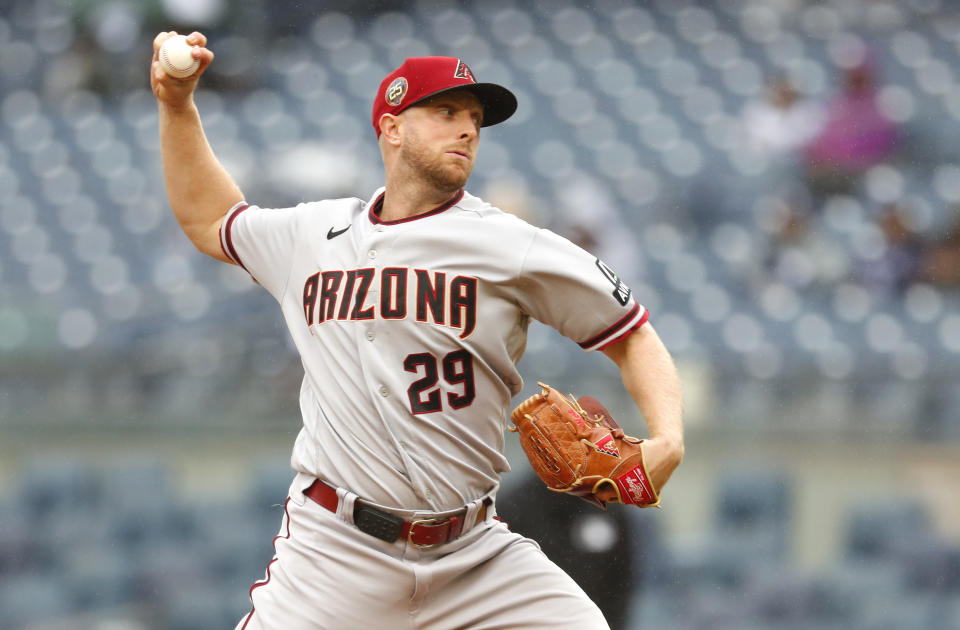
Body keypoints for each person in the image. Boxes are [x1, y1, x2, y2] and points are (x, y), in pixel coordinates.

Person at [150, 29, 684, 630]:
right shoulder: (313, 235)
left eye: (476, 120)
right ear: (392, 126)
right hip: (335, 554)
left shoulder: (509, 244)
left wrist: (668, 437)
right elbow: (213, 219)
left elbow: (632, 333)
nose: (467, 130)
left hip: (473, 554)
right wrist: (177, 106)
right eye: (447, 112)